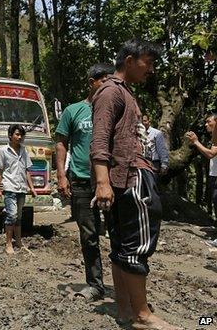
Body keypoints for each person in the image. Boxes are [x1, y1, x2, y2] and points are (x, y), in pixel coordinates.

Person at [91, 39, 181, 329]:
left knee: (121, 246)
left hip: (123, 178)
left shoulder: (123, 93)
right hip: (130, 178)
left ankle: (126, 309)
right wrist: (102, 183)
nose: (151, 69)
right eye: (148, 62)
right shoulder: (111, 91)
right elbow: (100, 140)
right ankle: (143, 315)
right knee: (135, 245)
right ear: (129, 61)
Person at [55, 63, 114, 302]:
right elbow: (61, 143)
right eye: (104, 82)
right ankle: (95, 285)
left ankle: (126, 285)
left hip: (112, 182)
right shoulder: (73, 111)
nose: (108, 87)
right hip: (80, 180)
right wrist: (61, 175)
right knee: (89, 235)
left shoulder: (113, 109)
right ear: (92, 82)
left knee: (118, 234)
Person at [0, 125, 38, 255]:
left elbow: (27, 170)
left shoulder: (24, 151)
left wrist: (32, 188)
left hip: (21, 188)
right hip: (9, 187)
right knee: (11, 215)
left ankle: (18, 241)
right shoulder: (3, 151)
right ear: (10, 135)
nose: (19, 137)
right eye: (17, 134)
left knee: (19, 217)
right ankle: (8, 243)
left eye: (21, 135)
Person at [185, 113, 217, 247]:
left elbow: (211, 154)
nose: (205, 124)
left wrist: (196, 141)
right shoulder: (214, 138)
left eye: (208, 121)